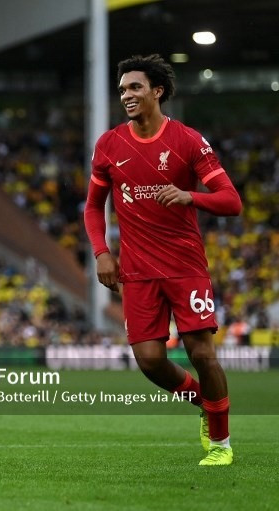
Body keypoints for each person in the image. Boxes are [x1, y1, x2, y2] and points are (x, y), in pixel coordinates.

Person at [83, 54, 242, 466]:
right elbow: (92, 207)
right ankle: (207, 404)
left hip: (184, 266)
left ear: (157, 91)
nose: (126, 96)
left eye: (134, 87)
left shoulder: (188, 140)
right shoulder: (109, 144)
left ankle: (221, 445)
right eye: (122, 90)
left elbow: (232, 201)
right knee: (150, 361)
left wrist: (191, 196)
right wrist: (102, 253)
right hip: (136, 270)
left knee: (202, 354)